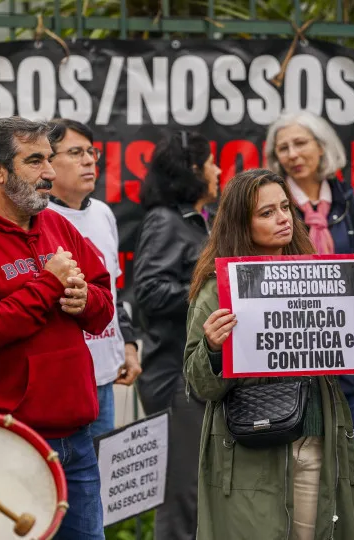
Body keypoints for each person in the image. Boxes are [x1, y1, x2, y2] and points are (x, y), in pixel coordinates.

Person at [0, 116, 114, 540]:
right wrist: (47, 285)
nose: (49, 172)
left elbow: (103, 301)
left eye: (48, 159)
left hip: (76, 441)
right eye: (35, 161)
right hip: (5, 446)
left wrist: (86, 302)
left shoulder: (56, 225)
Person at [184, 168, 354, 540]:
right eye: (266, 213)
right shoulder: (217, 290)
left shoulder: (320, 275)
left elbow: (349, 351)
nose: (283, 218)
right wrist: (213, 349)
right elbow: (199, 385)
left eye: (285, 207)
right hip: (253, 449)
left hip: (315, 436)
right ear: (240, 223)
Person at [265, 111, 354, 540]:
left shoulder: (350, 205)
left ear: (322, 146)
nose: (292, 155)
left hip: (342, 359)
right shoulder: (273, 205)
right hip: (288, 359)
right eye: (283, 147)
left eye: (300, 143)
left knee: (353, 473)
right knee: (289, 481)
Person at [132, 130, 220, 540]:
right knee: (182, 497)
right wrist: (209, 294)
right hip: (174, 378)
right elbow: (149, 291)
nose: (218, 171)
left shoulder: (198, 219)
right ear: (191, 171)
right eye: (210, 163)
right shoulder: (164, 221)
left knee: (200, 494)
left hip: (195, 377)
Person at [47, 119, 141, 438]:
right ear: (48, 161)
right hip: (62, 385)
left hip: (104, 378)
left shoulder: (103, 213)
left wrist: (127, 344)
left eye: (91, 151)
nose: (88, 160)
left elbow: (112, 287)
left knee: (100, 481)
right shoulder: (40, 220)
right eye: (75, 152)